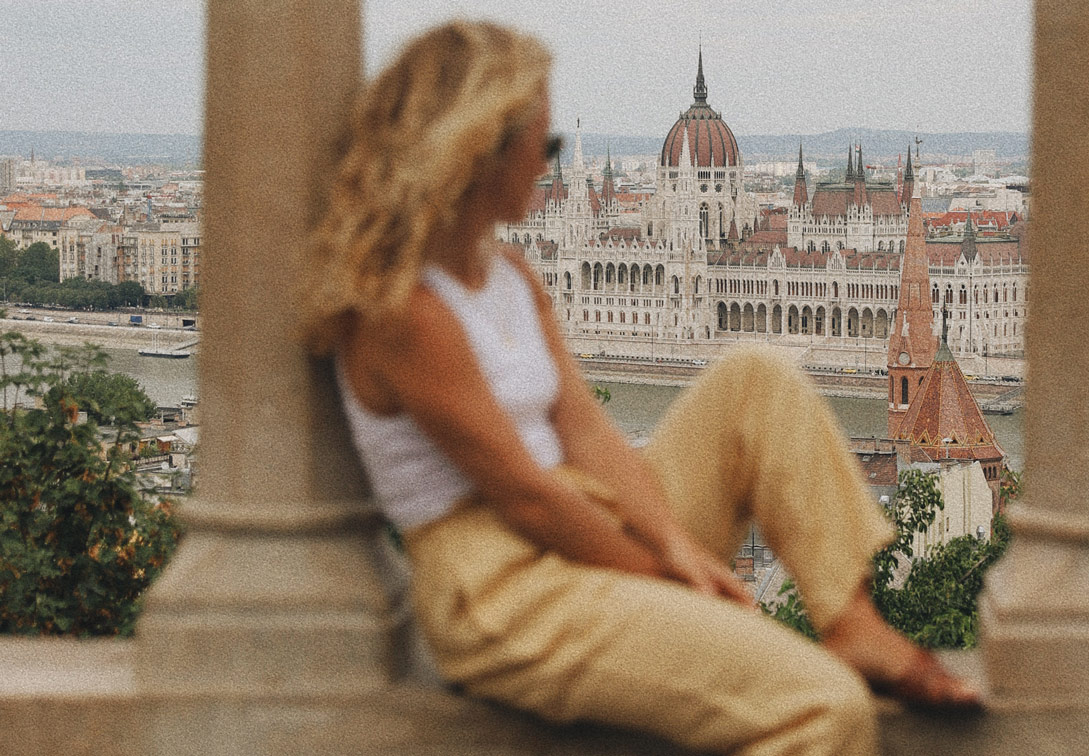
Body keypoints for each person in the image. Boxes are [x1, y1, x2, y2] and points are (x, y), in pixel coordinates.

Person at [299, 20, 980, 756]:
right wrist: (667, 573)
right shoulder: (408, 312)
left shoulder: (510, 276)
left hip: (575, 519)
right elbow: (527, 495)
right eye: (545, 146)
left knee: (755, 377)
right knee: (825, 708)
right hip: (498, 587)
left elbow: (587, 432)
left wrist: (670, 542)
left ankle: (851, 622)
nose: (550, 167)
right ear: (479, 148)